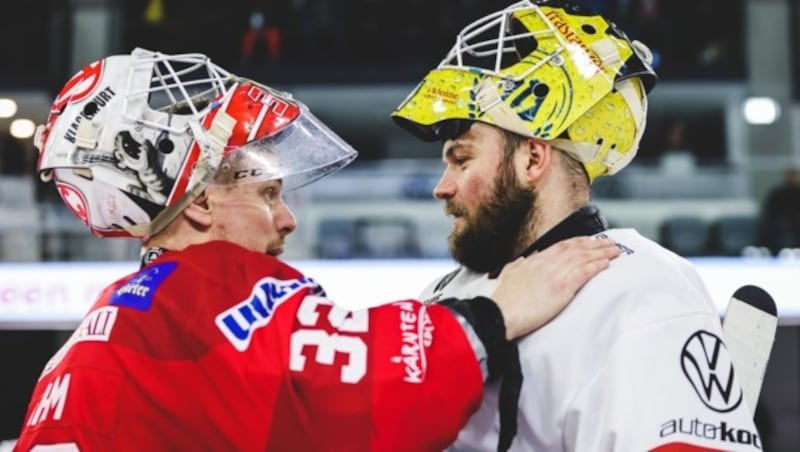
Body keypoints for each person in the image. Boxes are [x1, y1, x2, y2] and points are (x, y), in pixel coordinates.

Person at [13, 48, 619, 451]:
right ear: (198, 203)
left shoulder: (99, 332)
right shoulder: (214, 287)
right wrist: (497, 311)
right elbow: (374, 388)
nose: (287, 219)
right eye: (268, 193)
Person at [391, 1, 762, 451]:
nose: (441, 188)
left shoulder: (641, 289)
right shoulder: (442, 294)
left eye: (462, 159)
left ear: (532, 158)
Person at [756, 167, 800, 255]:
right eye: (790, 176)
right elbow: (769, 211)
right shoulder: (777, 193)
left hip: (797, 224)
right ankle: (768, 252)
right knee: (768, 228)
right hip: (778, 224)